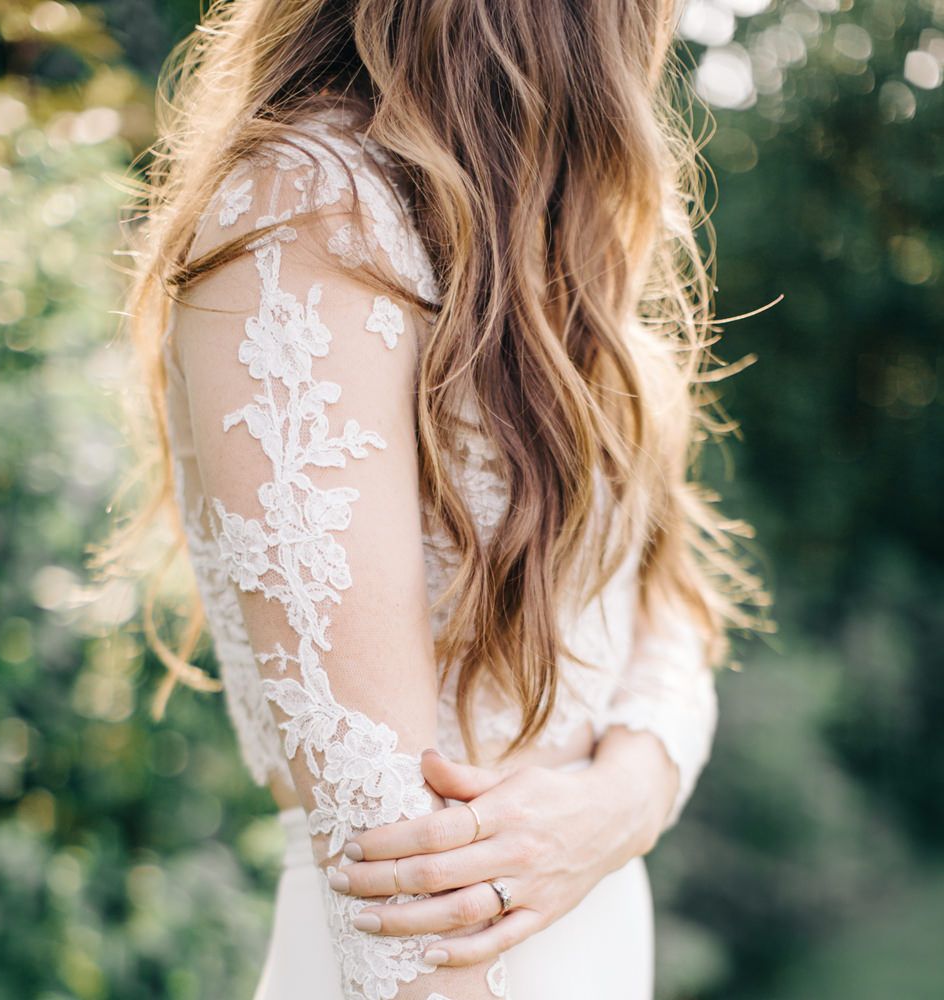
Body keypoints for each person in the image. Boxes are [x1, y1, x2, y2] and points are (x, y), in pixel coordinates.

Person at [104, 1, 772, 997]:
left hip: (593, 945)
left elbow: (664, 612)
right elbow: (392, 859)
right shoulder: (307, 211)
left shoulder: (545, 239)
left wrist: (615, 805)